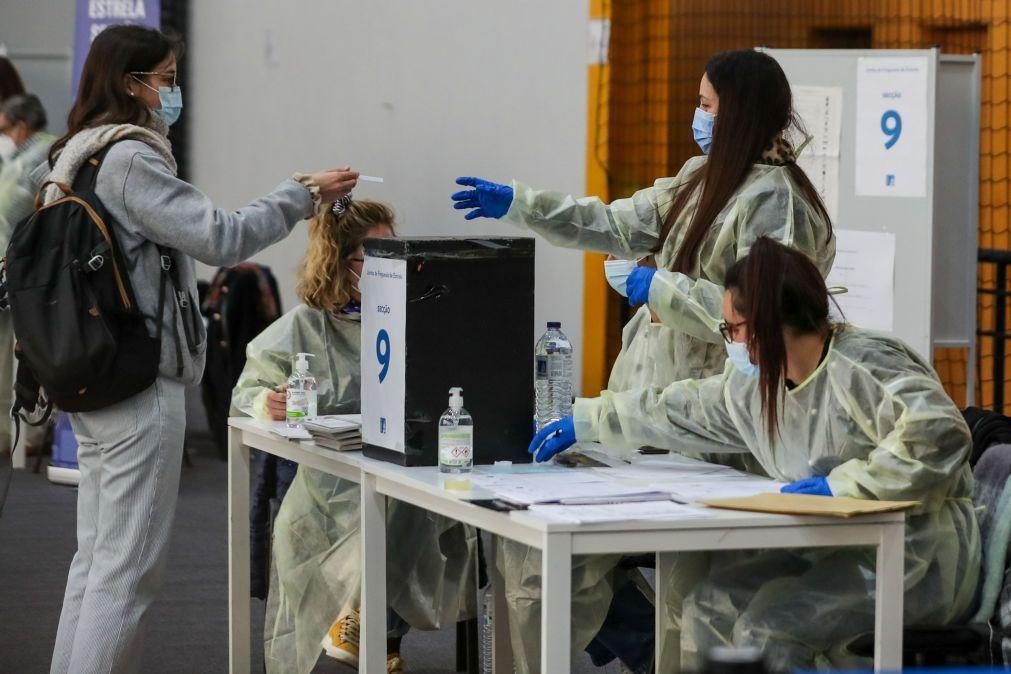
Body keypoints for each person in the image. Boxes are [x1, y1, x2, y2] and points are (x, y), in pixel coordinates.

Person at [451, 48, 836, 672]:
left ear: (738, 111)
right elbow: (611, 221)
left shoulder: (776, 201)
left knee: (692, 599)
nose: (697, 114)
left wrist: (658, 289)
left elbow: (766, 313)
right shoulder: (699, 177)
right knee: (553, 563)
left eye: (707, 104)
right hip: (647, 412)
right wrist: (519, 204)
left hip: (715, 420)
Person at [34, 26, 359, 674]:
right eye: (167, 78)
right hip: (137, 387)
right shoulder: (130, 159)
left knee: (95, 563)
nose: (173, 91)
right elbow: (221, 236)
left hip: (90, 379)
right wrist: (303, 194)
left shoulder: (73, 157)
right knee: (125, 579)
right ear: (133, 86)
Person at [530, 237, 981, 670]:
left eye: (734, 328)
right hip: (834, 550)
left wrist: (845, 486)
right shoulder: (760, 386)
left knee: (769, 629)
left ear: (770, 320)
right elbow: (685, 408)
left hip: (916, 558)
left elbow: (939, 433)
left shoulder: (865, 365)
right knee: (708, 605)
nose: (731, 340)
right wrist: (590, 418)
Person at [232, 199, 477, 674]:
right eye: (376, 257)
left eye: (395, 255)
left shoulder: (418, 321)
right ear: (342, 265)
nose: (389, 269)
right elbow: (247, 393)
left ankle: (364, 622)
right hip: (328, 490)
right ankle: (369, 627)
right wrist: (269, 403)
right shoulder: (305, 327)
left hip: (405, 485)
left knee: (405, 506)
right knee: (388, 515)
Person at [0, 94, 56, 470]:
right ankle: (13, 435)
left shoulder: (44, 153)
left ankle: (29, 435)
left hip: (32, 274)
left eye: (4, 129)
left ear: (22, 127)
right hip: (15, 271)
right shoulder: (20, 157)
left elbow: (20, 207)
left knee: (27, 356)